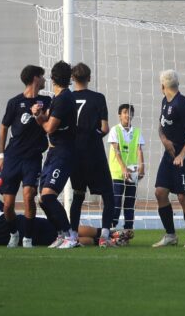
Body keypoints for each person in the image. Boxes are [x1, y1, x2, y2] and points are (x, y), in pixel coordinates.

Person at [0, 185, 131, 247]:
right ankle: (108, 232)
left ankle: (108, 241)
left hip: (10, 235)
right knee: (64, 230)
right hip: (22, 221)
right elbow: (7, 209)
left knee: (58, 240)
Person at [0, 65, 51, 248]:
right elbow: (4, 128)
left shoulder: (46, 100)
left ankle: (28, 238)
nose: (44, 80)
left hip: (33, 158)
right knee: (8, 205)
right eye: (42, 76)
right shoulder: (14, 102)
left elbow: (49, 124)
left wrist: (39, 114)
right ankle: (14, 233)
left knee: (29, 196)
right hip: (12, 158)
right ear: (35, 78)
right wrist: (1, 155)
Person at [31, 60, 79, 249]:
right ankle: (61, 234)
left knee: (49, 196)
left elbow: (49, 127)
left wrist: (37, 117)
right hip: (54, 152)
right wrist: (39, 113)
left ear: (52, 78)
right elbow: (47, 120)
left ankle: (70, 236)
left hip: (63, 153)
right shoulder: (59, 98)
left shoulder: (63, 99)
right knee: (43, 199)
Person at [152, 70, 185, 248]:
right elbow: (161, 125)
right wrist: (164, 141)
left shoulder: (182, 103)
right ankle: (170, 235)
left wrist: (182, 154)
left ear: (162, 86)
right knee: (160, 192)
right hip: (169, 155)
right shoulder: (165, 101)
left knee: (182, 197)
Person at [70, 63, 116, 247]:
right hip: (94, 153)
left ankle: (72, 234)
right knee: (108, 195)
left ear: (73, 79)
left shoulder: (66, 98)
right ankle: (105, 234)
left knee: (78, 195)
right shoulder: (98, 98)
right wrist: (93, 136)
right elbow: (104, 128)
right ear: (89, 78)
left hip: (74, 154)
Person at [108, 104, 145, 232]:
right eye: (125, 112)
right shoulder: (114, 130)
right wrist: (123, 168)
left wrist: (142, 168)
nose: (127, 115)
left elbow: (139, 150)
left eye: (130, 113)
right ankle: (111, 228)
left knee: (129, 203)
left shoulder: (137, 132)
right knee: (116, 201)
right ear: (119, 115)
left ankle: (128, 229)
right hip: (117, 173)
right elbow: (116, 150)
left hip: (132, 173)